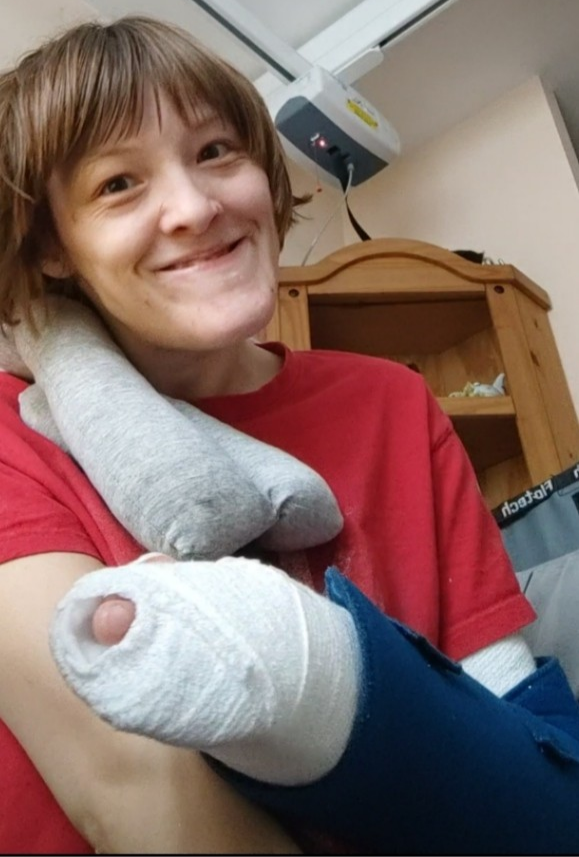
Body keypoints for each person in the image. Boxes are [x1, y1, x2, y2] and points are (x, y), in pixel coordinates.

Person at [1, 14, 579, 855]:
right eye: (118, 185)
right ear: (54, 246)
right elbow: (125, 787)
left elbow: (515, 716)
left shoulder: (389, 402)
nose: (195, 207)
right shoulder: (11, 440)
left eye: (214, 152)